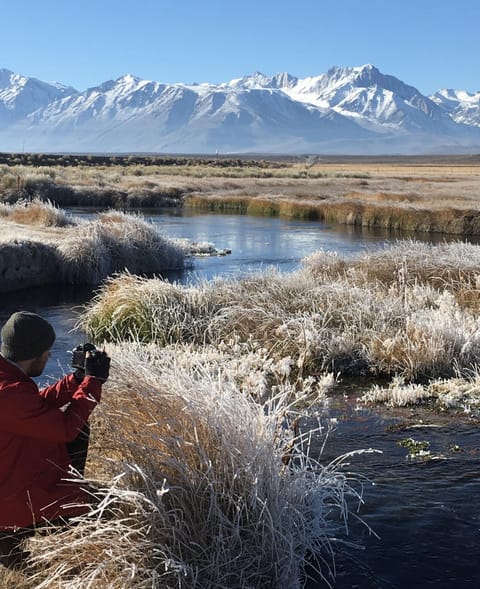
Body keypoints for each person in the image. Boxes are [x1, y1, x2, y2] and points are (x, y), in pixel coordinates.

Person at [0, 311, 110, 568]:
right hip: (9, 505)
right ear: (34, 354)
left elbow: (34, 406)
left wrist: (77, 379)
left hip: (8, 479)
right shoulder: (10, 394)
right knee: (102, 510)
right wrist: (94, 383)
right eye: (47, 352)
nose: (50, 356)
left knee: (75, 430)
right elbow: (66, 429)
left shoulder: (8, 380)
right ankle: (49, 528)